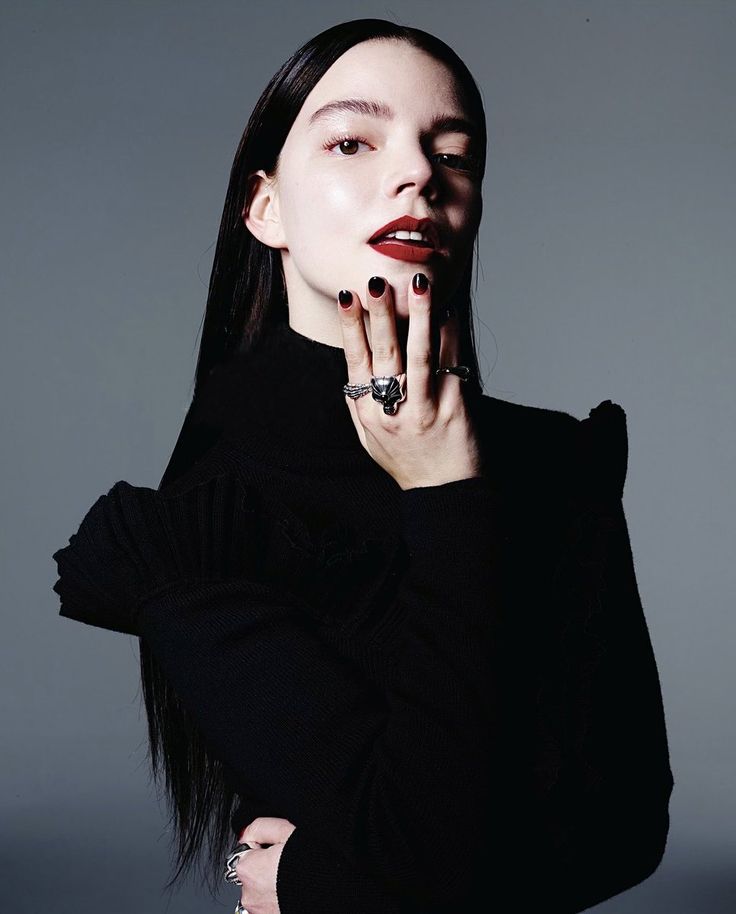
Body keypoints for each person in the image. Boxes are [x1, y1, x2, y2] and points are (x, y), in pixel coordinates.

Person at [51, 18, 674, 914]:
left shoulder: (554, 463)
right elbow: (425, 847)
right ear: (266, 208)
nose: (419, 174)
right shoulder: (211, 515)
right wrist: (442, 494)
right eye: (352, 141)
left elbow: (624, 834)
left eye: (454, 157)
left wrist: (317, 879)